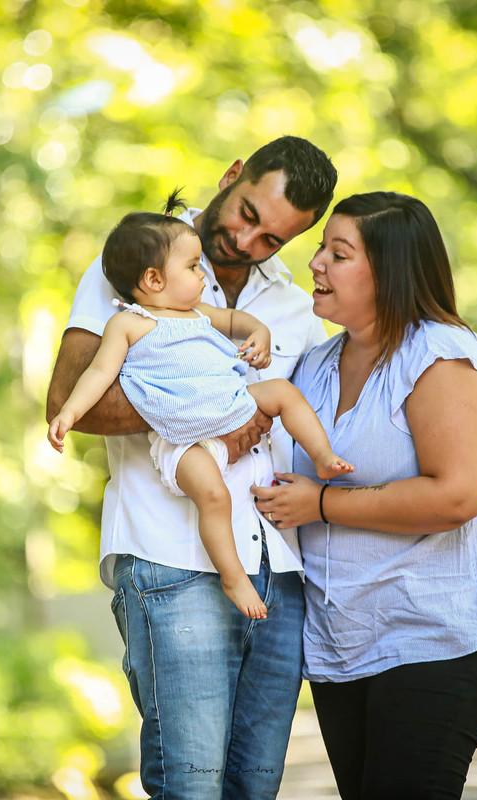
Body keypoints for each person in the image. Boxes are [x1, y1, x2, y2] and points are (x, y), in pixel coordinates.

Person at [45, 136, 338, 799]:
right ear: (232, 175)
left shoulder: (291, 305)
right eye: (246, 214)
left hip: (278, 570)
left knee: (253, 789)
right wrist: (211, 413)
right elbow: (67, 400)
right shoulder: (137, 265)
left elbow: (304, 413)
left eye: (272, 239)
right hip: (172, 559)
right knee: (191, 789)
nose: (246, 240)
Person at [252, 191, 477, 800]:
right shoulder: (318, 365)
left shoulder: (442, 357)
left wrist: (323, 504)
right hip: (345, 643)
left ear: (390, 273)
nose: (316, 264)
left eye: (340, 252)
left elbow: (460, 495)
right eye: (322, 248)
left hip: (440, 633)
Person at [48, 192, 353, 619]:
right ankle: (232, 577)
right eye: (192, 267)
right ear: (154, 280)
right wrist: (69, 413)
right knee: (213, 496)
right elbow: (98, 375)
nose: (201, 274)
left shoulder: (197, 311)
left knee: (283, 393)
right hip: (184, 441)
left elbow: (236, 322)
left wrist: (259, 333)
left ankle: (323, 456)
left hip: (233, 404)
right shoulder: (129, 323)